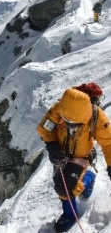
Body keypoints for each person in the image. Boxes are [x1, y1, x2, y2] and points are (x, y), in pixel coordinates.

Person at [37, 83, 111, 232]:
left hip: (81, 157)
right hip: (60, 153)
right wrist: (51, 145)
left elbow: (108, 143)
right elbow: (45, 128)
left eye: (75, 122)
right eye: (66, 120)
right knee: (60, 181)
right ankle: (88, 178)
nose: (70, 124)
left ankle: (70, 214)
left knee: (64, 188)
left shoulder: (96, 117)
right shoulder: (60, 108)